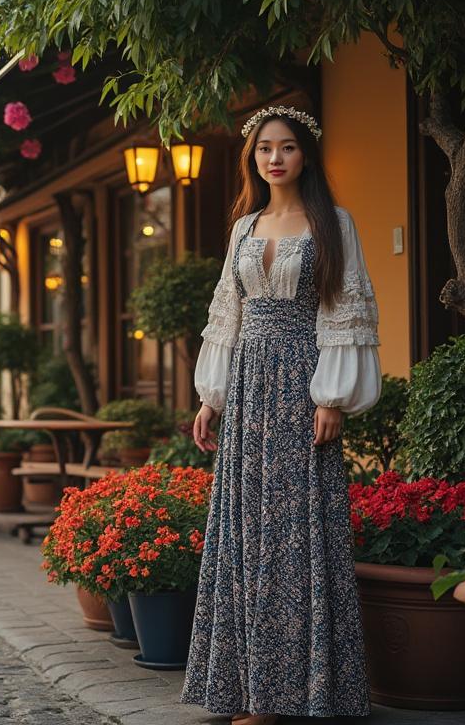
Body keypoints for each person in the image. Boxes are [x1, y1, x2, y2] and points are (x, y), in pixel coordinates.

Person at [178, 106, 380, 725]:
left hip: (301, 385)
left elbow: (348, 310)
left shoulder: (332, 224)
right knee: (245, 534)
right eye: (265, 148)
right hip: (245, 391)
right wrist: (211, 395)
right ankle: (250, 693)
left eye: (287, 147)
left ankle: (304, 693)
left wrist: (331, 397)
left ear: (305, 156)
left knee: (297, 536)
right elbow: (227, 315)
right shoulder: (243, 228)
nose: (275, 158)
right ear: (253, 158)